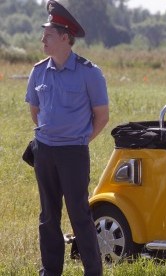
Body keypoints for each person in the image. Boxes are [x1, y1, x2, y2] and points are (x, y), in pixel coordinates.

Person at [24, 1, 109, 275]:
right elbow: (35, 111)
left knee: (80, 215)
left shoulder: (89, 73)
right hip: (45, 151)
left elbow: (101, 116)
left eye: (48, 35)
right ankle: (50, 271)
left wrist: (80, 139)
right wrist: (51, 136)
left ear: (65, 37)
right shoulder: (38, 71)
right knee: (48, 216)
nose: (42, 40)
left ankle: (93, 271)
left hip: (74, 152)